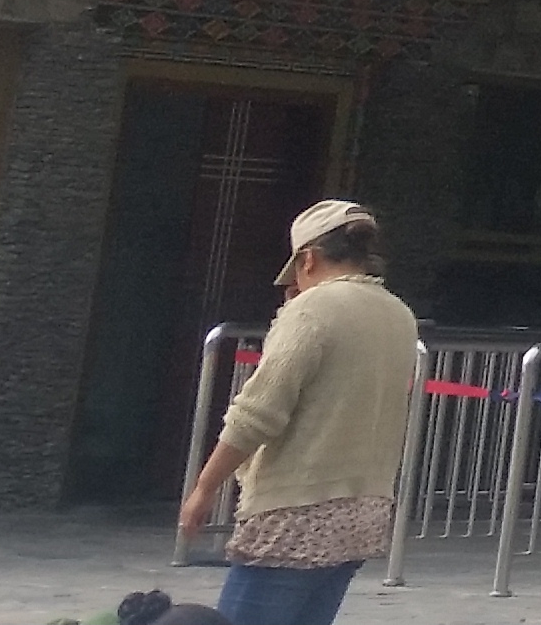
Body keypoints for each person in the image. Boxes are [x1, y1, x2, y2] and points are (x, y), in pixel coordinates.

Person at [175, 199, 419, 625]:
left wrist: (204, 488)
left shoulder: (311, 311)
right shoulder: (399, 314)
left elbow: (257, 413)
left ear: (307, 259)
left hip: (295, 511)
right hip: (363, 508)